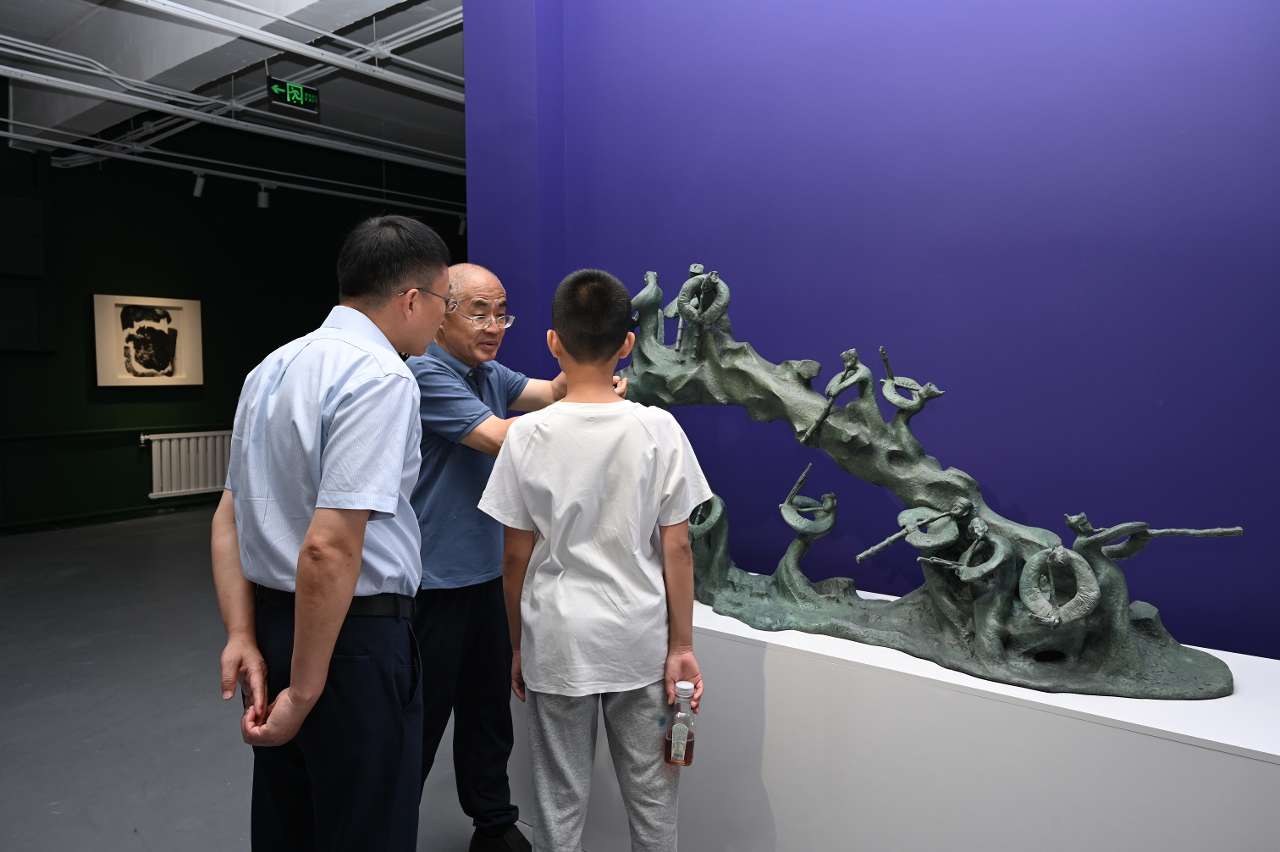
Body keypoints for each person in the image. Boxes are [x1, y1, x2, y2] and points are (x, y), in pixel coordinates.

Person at [210, 215, 453, 852]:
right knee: (366, 828)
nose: (442, 320)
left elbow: (229, 515)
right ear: (411, 299)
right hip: (350, 643)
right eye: (444, 302)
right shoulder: (382, 377)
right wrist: (304, 690)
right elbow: (329, 546)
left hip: (277, 628)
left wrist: (241, 634)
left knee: (289, 822)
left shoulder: (269, 368)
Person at [479, 268, 712, 852]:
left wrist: (517, 644)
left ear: (553, 342)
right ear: (627, 344)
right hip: (638, 639)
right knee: (654, 802)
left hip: (556, 638)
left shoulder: (526, 436)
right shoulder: (658, 428)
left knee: (558, 805)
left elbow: (515, 556)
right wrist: (681, 646)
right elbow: (678, 547)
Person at [406, 262, 623, 852]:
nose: (493, 326)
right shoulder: (425, 373)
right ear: (440, 313)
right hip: (433, 583)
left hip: (486, 579)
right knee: (420, 720)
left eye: (501, 314)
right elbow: (501, 438)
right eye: (479, 312)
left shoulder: (488, 372)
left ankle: (494, 823)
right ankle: (389, 828)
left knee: (488, 713)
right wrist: (601, 410)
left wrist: (594, 370)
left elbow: (551, 392)